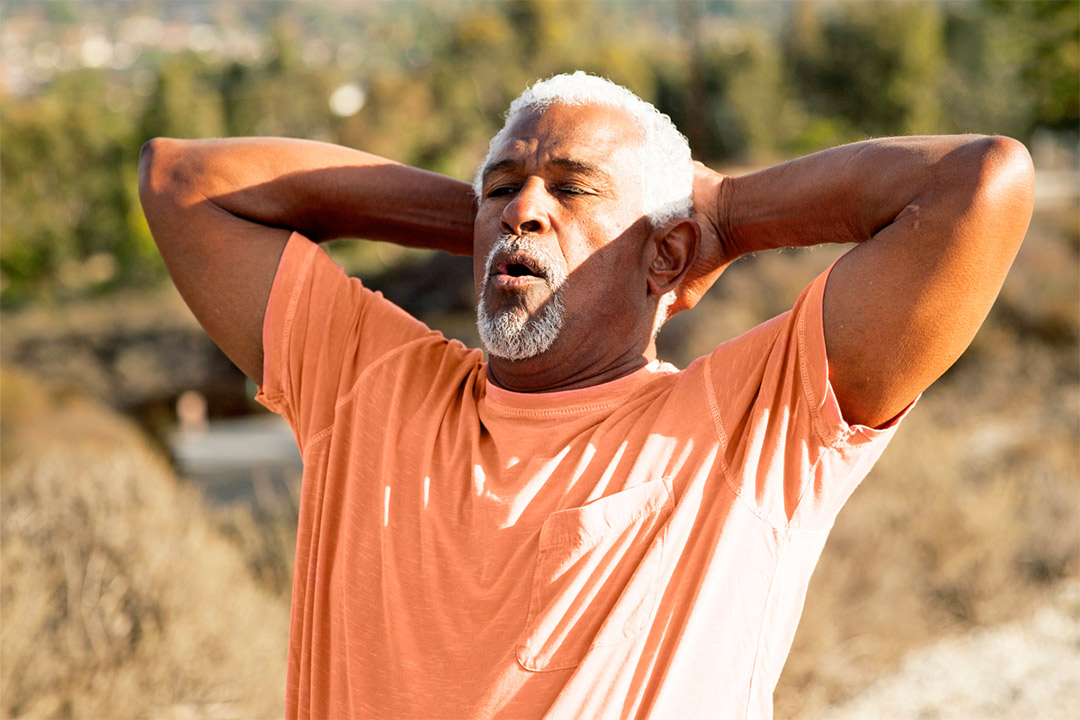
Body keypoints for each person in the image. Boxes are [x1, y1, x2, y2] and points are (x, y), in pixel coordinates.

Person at [138, 72, 1034, 719]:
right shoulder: (370, 385)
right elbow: (185, 183)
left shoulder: (752, 426)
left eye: (573, 188)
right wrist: (497, 218)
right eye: (502, 189)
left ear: (666, 254)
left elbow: (976, 184)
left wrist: (723, 213)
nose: (523, 210)